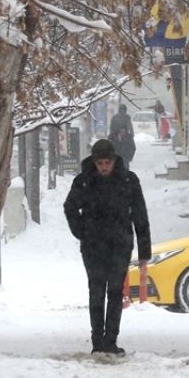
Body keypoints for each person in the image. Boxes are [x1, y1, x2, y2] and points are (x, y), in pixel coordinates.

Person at [63, 139, 151, 355]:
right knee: (96, 291)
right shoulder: (84, 182)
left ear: (113, 161)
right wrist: (82, 232)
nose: (103, 167)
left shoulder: (128, 181)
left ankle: (110, 340)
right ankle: (97, 341)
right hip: (93, 246)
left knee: (114, 292)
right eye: (100, 163)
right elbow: (70, 208)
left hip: (120, 244)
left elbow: (140, 214)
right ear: (94, 162)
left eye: (107, 163)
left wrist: (144, 250)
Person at [108, 104, 136, 169]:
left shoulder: (116, 118)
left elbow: (133, 148)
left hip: (121, 159)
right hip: (119, 159)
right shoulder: (125, 118)